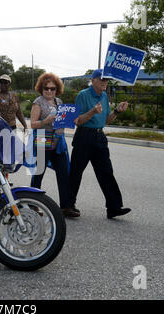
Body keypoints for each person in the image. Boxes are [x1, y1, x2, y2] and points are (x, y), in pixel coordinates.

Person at [69, 69, 131, 219]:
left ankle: (114, 208)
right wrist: (92, 112)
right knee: (75, 173)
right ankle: (68, 206)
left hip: (99, 137)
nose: (105, 82)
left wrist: (117, 111)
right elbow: (77, 121)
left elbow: (105, 121)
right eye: (102, 79)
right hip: (84, 136)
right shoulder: (83, 95)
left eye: (107, 80)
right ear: (93, 80)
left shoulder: (104, 96)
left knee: (106, 172)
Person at [29, 72, 75, 217]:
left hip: (58, 140)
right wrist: (46, 120)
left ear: (57, 89)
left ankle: (66, 206)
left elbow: (63, 121)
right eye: (46, 88)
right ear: (41, 89)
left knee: (63, 173)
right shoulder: (38, 102)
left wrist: (70, 119)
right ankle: (32, 204)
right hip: (43, 138)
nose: (49, 91)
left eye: (52, 88)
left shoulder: (59, 102)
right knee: (39, 172)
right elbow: (33, 124)